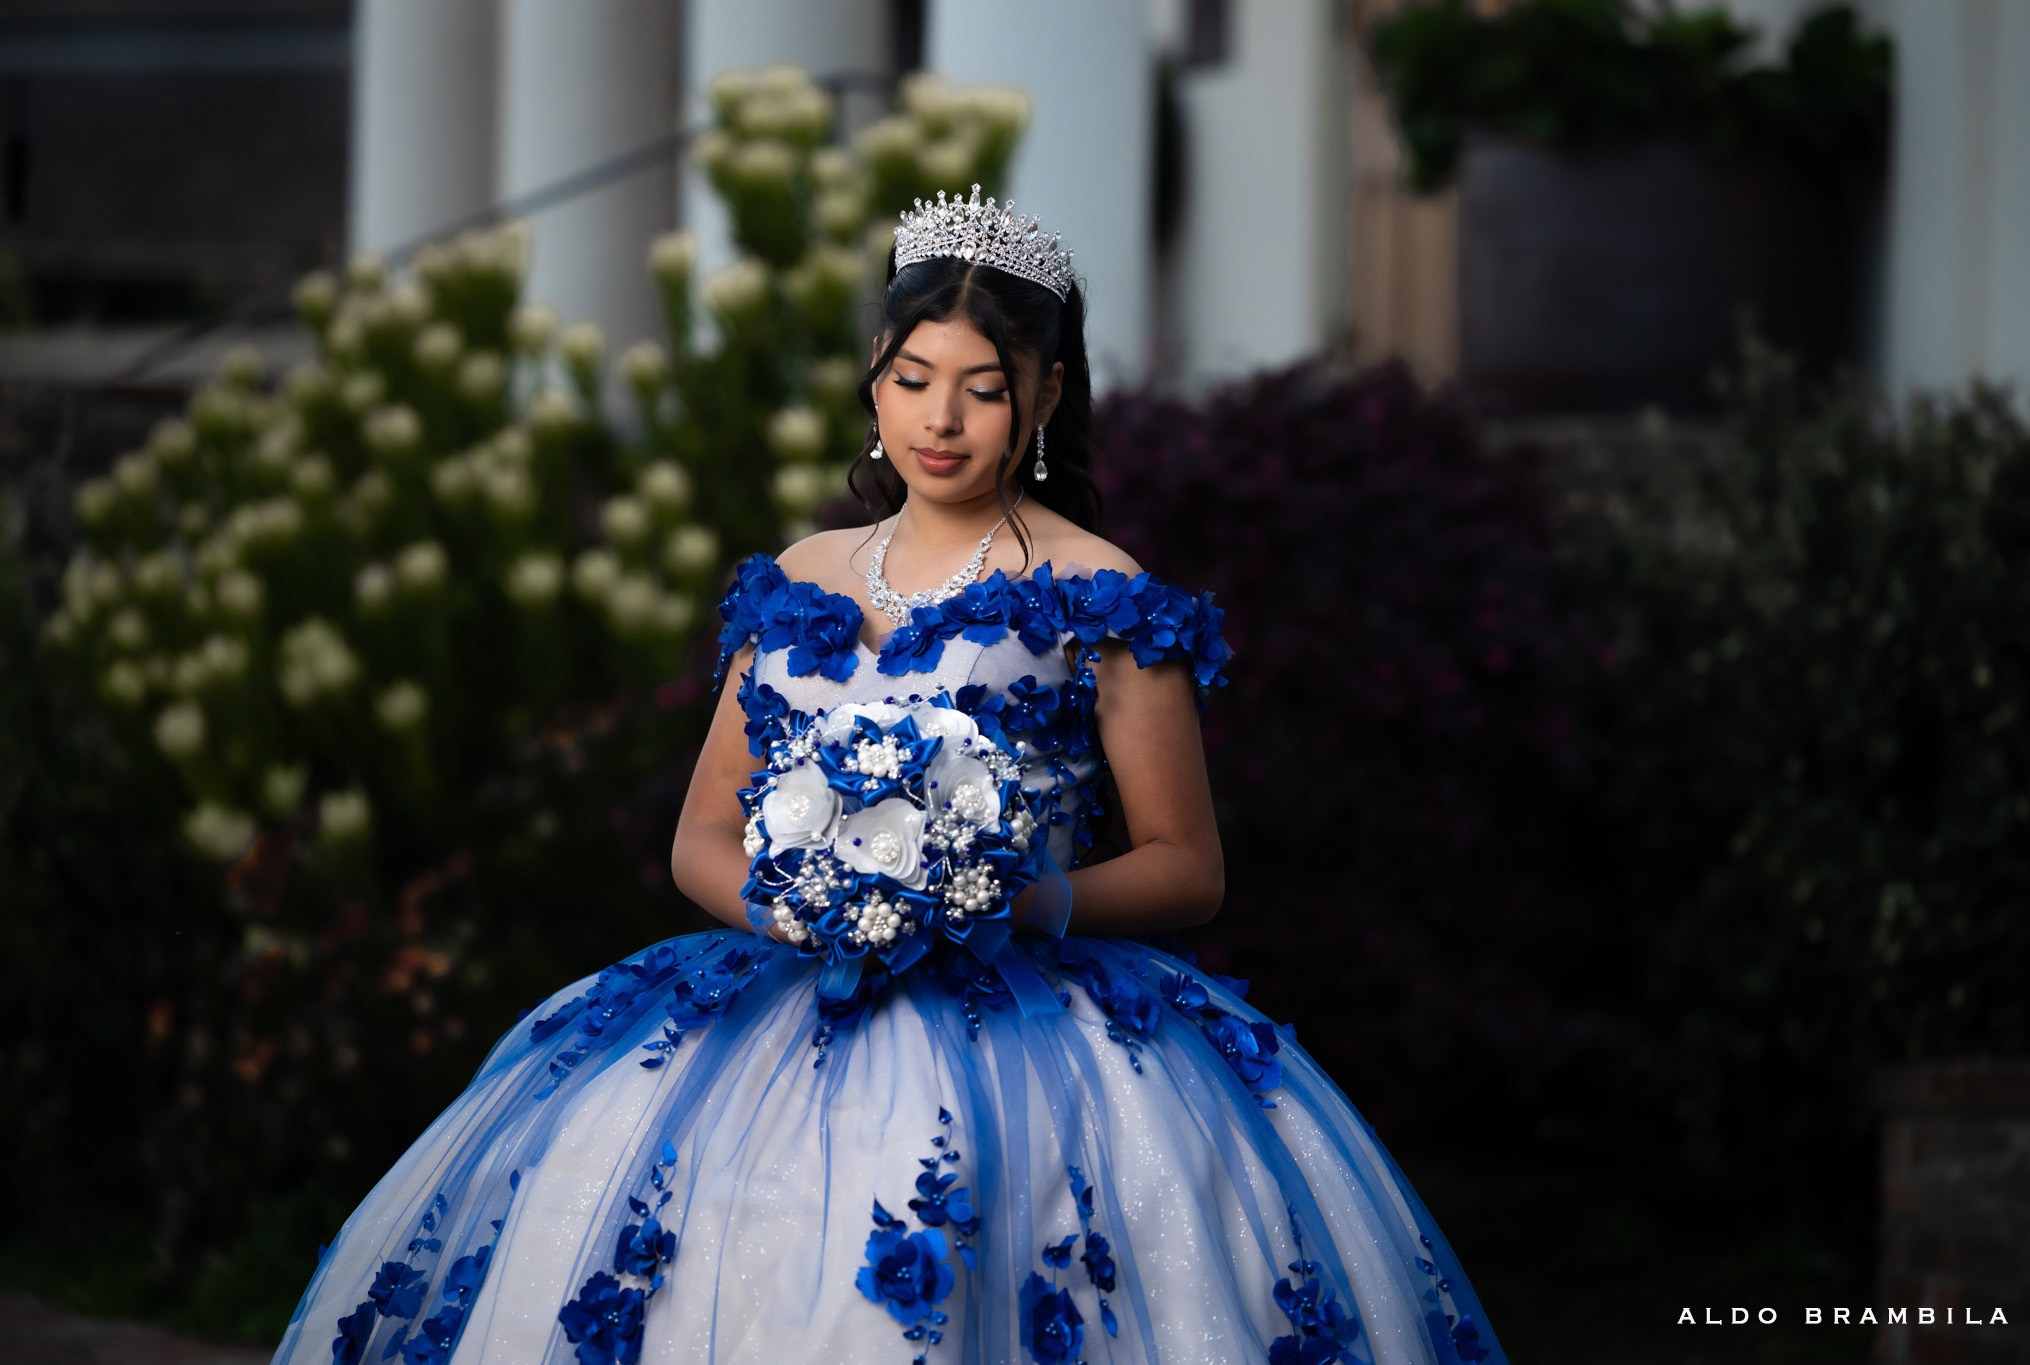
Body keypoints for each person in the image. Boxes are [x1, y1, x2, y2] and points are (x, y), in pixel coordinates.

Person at [272, 186, 1511, 1365]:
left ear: (1044, 396)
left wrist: (1013, 898)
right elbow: (701, 834)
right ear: (875, 377)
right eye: (914, 380)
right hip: (774, 1006)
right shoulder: (802, 573)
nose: (942, 419)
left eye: (983, 389)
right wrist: (793, 909)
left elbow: (1189, 867)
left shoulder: (1105, 592)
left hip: (1031, 1028)